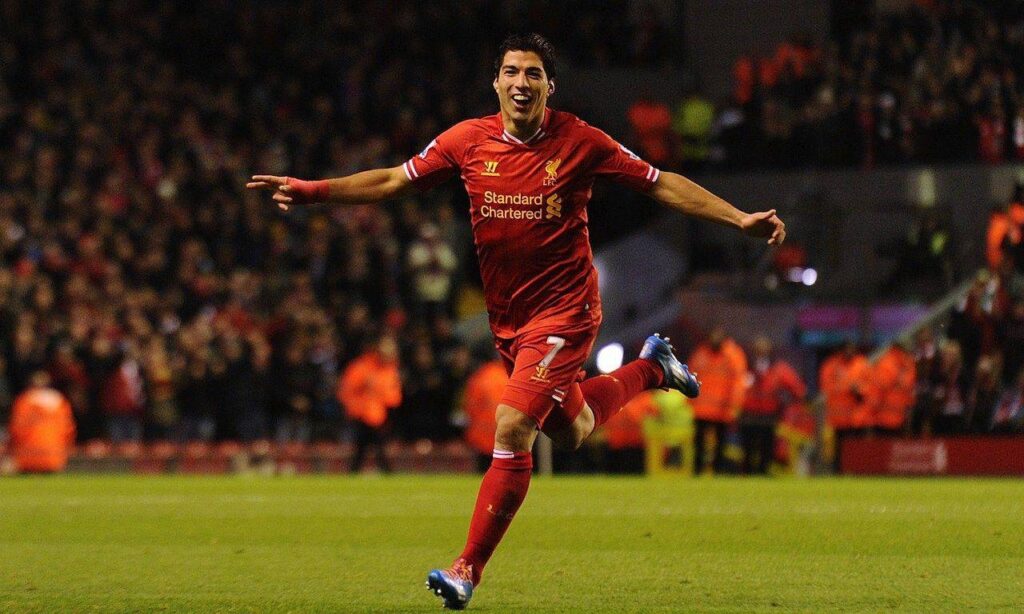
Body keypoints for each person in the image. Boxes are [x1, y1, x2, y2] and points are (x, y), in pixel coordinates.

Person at [248, 33, 785, 610]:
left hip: (566, 310)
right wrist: (313, 192)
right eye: (511, 71)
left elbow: (661, 183)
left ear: (550, 86)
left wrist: (738, 218)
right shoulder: (466, 141)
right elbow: (392, 180)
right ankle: (653, 369)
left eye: (533, 73)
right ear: (496, 82)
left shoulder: (580, 140)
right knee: (573, 429)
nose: (521, 82)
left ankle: (466, 569)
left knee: (511, 426)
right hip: (508, 318)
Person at [738, 336, 805, 475]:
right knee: (747, 449)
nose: (761, 351)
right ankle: (747, 475)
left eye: (764, 348)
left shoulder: (778, 369)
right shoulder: (745, 366)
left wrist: (792, 401)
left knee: (766, 448)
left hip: (768, 414)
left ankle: (763, 474)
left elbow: (797, 388)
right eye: (759, 348)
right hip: (748, 414)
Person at [687, 326, 748, 475]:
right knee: (699, 443)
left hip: (722, 408)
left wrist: (734, 405)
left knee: (720, 443)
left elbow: (738, 382)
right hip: (701, 408)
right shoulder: (700, 354)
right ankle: (697, 471)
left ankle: (717, 471)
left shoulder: (732, 355)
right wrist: (689, 400)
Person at [338, 335, 402, 473]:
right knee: (373, 447)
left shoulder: (389, 369)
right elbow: (347, 390)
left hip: (382, 414)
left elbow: (394, 395)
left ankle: (359, 471)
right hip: (364, 415)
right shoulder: (362, 367)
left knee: (365, 448)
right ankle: (385, 472)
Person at [8, 371, 76, 473]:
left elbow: (16, 431)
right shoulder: (59, 401)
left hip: (27, 458)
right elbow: (68, 431)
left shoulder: (24, 400)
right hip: (53, 458)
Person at [820, 341, 871, 472]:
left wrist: (859, 390)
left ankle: (857, 470)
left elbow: (870, 386)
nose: (849, 352)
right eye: (846, 349)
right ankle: (838, 471)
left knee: (857, 448)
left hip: (857, 417)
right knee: (838, 449)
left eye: (851, 349)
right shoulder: (831, 365)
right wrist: (848, 388)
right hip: (838, 418)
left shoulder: (862, 364)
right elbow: (827, 386)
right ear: (841, 350)